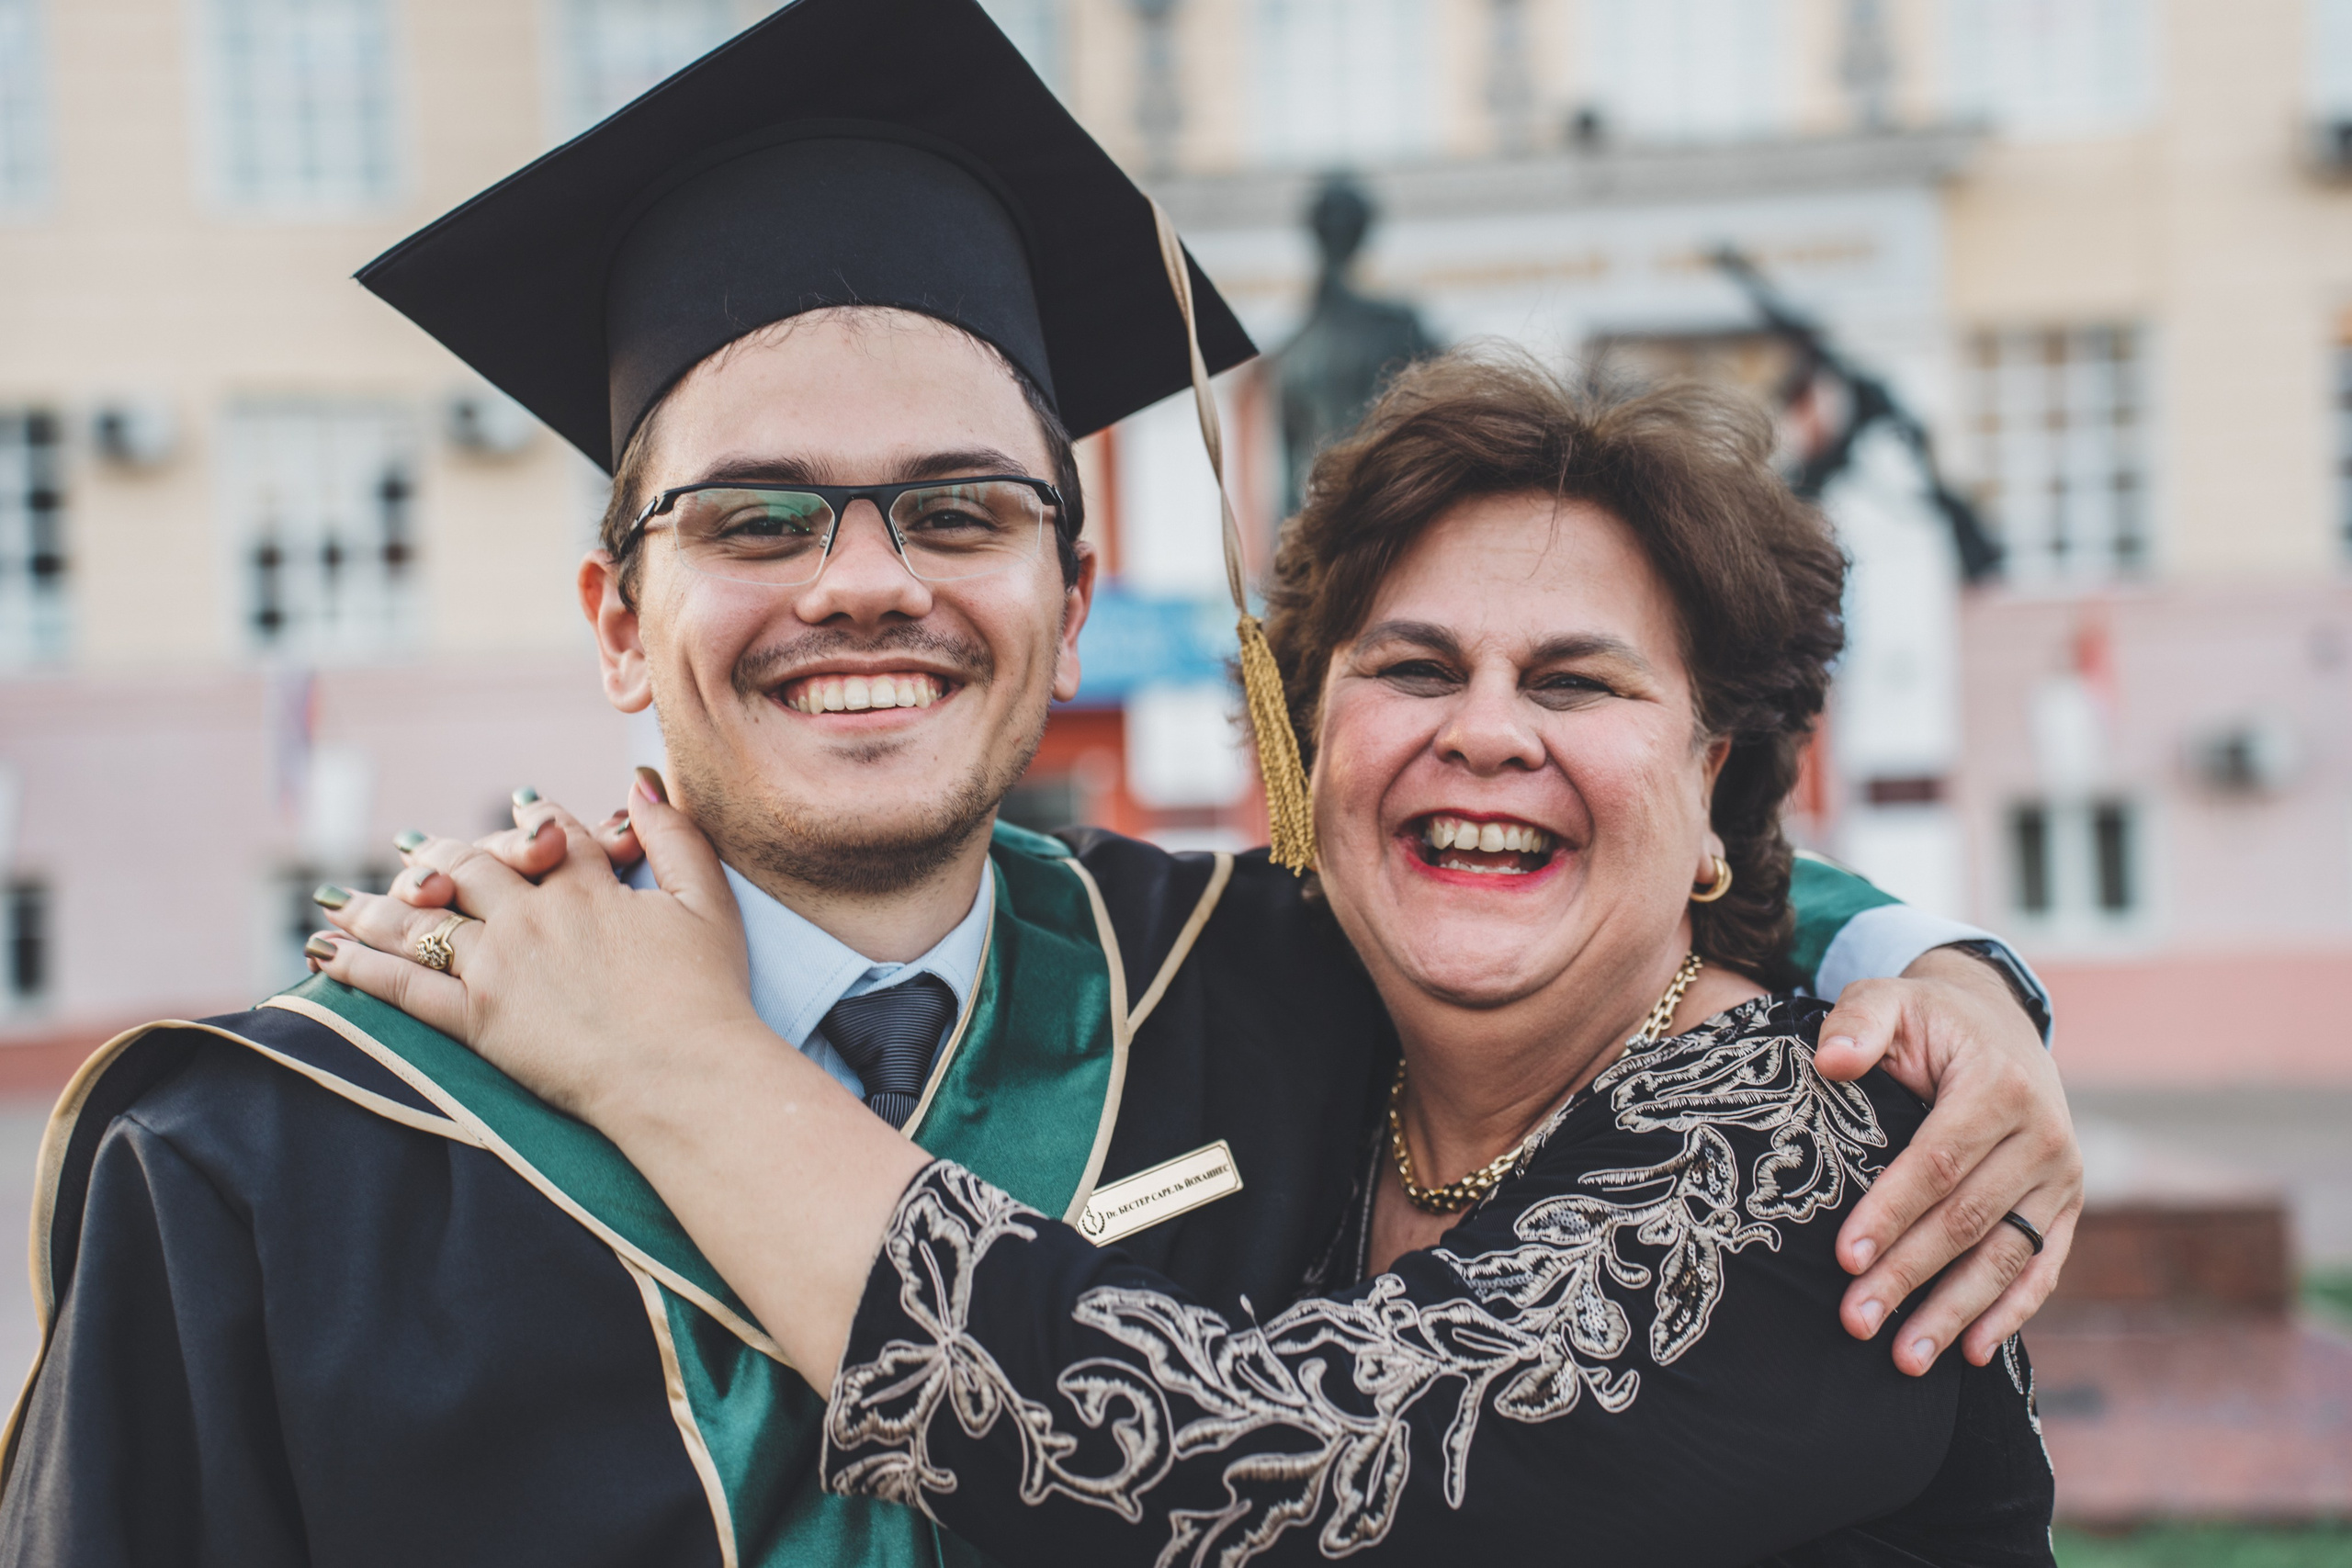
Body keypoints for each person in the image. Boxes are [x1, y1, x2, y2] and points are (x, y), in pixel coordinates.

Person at [0, 2, 2075, 1563]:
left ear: (1071, 601)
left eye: (961, 507)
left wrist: (1954, 975)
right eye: (754, 521)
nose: (867, 584)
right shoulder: (260, 1163)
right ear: (616, 615)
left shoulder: (1260, 993)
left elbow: (1587, 895)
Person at [301, 350, 2062, 1563]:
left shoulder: (1820, 1163)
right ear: (1309, 758)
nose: (1486, 735)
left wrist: (666, 1054)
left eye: (1580, 683)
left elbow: (1235, 1466)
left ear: (1722, 776)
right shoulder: (1309, 1020)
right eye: (1416, 669)